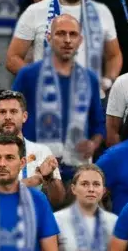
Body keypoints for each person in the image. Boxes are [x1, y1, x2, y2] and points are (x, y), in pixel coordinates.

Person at [10, 14, 106, 179]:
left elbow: (98, 124)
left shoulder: (89, 79)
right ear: (49, 37)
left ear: (80, 40)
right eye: (61, 34)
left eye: (73, 34)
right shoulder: (28, 75)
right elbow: (11, 116)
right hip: (34, 168)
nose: (67, 40)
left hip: (76, 169)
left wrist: (93, 144)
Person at [8, 0, 121, 89]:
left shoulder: (101, 11)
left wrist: (107, 82)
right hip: (47, 95)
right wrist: (37, 78)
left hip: (89, 96)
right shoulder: (35, 11)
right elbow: (12, 58)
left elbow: (114, 55)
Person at [0, 90, 64, 205]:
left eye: (13, 112)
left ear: (24, 116)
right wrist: (35, 180)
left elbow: (58, 201)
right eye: (2, 112)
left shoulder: (42, 151)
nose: (8, 117)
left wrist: (49, 178)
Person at [53, 163, 116, 251]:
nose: (91, 189)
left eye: (96, 184)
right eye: (85, 184)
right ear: (73, 189)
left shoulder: (116, 222)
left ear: (103, 190)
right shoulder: (56, 220)